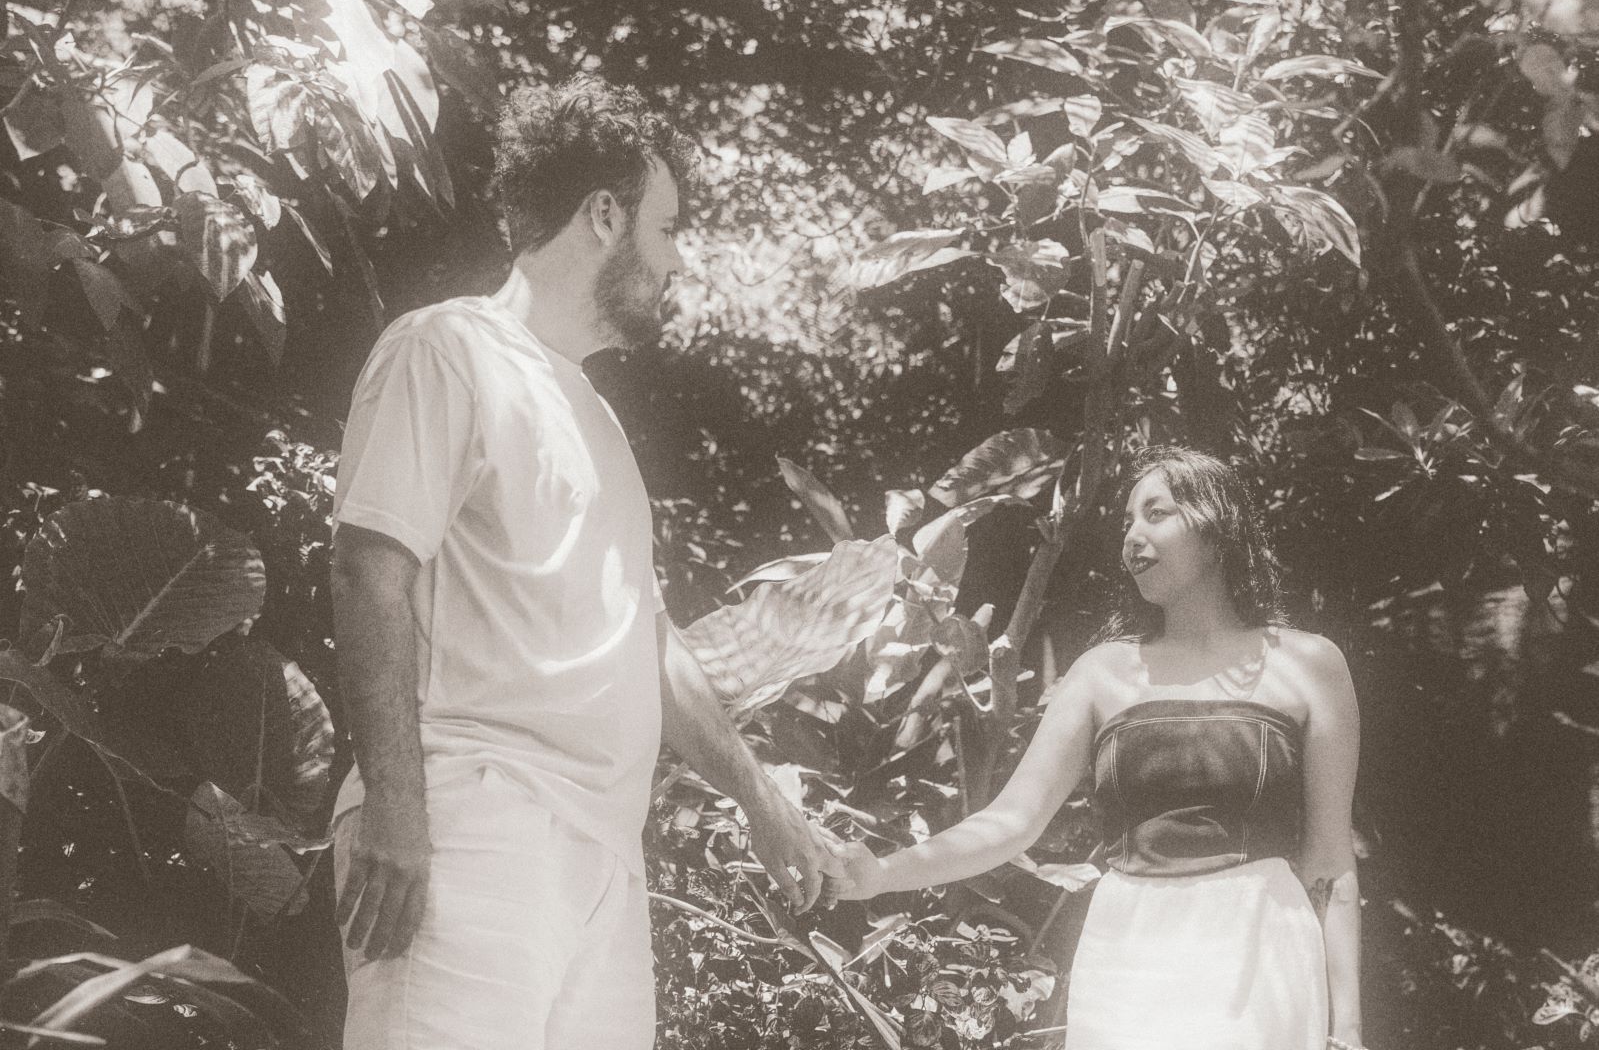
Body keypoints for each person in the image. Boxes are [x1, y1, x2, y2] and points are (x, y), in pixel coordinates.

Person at [329, 75, 843, 1050]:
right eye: (668, 228)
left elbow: (644, 639)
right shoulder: (444, 350)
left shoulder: (596, 419)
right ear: (603, 215)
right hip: (472, 817)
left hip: (601, 857)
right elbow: (370, 573)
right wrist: (398, 806)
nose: (677, 258)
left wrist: (763, 802)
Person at [830, 445, 1365, 1050]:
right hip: (1129, 950)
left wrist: (1346, 1031)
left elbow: (1330, 864)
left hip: (1263, 945)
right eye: (1128, 523)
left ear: (1218, 526)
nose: (1132, 538)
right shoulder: (1100, 673)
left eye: (1156, 514)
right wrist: (879, 874)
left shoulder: (1311, 665)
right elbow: (1010, 822)